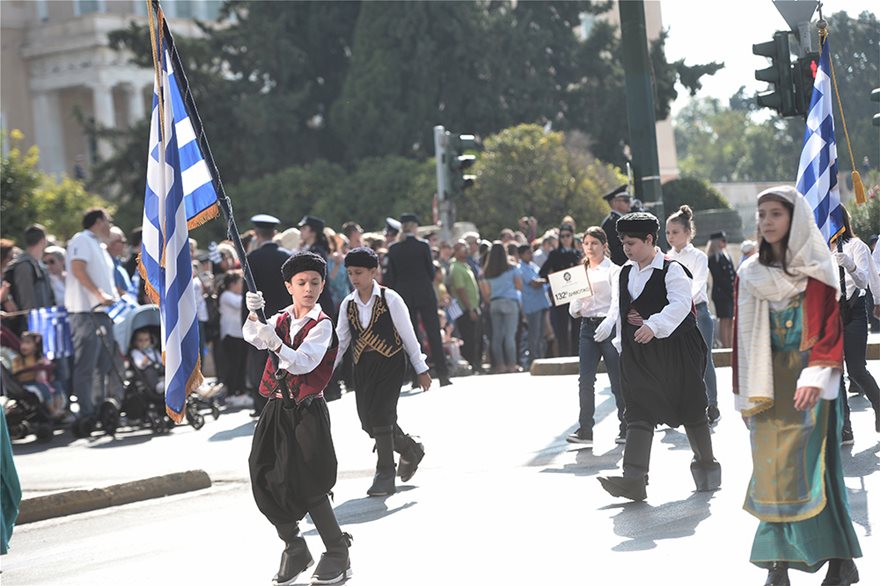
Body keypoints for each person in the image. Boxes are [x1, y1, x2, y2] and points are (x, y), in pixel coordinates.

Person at [734, 186, 861, 586]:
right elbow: (743, 339)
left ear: (795, 219)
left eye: (776, 214)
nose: (766, 222)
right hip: (768, 386)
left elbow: (829, 330)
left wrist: (815, 378)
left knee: (815, 472)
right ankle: (777, 564)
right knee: (771, 473)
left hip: (812, 384)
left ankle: (841, 562)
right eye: (762, 214)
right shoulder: (750, 271)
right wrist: (745, 396)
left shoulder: (816, 269)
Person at [243, 252, 352, 586]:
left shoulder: (322, 325)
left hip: (306, 409)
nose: (308, 289)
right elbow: (252, 335)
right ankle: (294, 546)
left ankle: (337, 552)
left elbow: (303, 363)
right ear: (289, 286)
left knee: (310, 481)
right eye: (301, 283)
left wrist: (275, 343)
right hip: (276, 406)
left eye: (315, 283)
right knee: (262, 472)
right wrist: (252, 314)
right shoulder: (279, 318)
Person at [598, 212, 720, 502]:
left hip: (676, 352)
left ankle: (707, 468)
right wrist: (620, 341)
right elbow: (621, 309)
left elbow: (680, 305)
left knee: (691, 408)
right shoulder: (625, 272)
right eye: (623, 243)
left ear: (649, 240)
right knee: (638, 410)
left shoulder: (672, 269)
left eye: (631, 243)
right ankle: (634, 479)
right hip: (639, 354)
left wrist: (653, 325)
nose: (626, 249)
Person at [334, 247, 431, 496]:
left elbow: (409, 335)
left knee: (381, 414)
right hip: (362, 367)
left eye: (359, 272)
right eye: (350, 273)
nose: (354, 278)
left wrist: (421, 368)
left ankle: (385, 472)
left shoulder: (391, 299)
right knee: (368, 422)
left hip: (391, 363)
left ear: (373, 272)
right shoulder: (347, 304)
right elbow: (340, 342)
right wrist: (324, 371)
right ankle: (410, 447)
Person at [568, 227, 625, 446]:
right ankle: (585, 429)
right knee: (585, 380)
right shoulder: (580, 271)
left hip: (607, 326)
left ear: (604, 246)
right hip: (587, 327)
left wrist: (610, 322)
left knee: (617, 379)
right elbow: (575, 301)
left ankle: (626, 425)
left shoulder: (614, 270)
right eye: (586, 243)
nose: (590, 247)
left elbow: (617, 300)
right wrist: (575, 306)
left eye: (594, 243)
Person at [666, 206, 720, 425]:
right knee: (675, 362)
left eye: (675, 232)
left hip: (697, 312)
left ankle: (712, 404)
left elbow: (698, 284)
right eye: (668, 232)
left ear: (688, 232)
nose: (670, 237)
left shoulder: (698, 256)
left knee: (704, 360)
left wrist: (680, 302)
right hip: (673, 315)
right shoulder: (665, 257)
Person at [384, 213, 451, 386]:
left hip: (404, 295)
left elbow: (391, 277)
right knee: (433, 333)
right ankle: (443, 375)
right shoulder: (423, 246)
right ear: (415, 227)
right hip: (424, 293)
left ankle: (416, 377)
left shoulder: (394, 249)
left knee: (410, 336)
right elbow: (430, 272)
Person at [65, 208, 118, 420]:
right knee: (87, 365)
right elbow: (78, 269)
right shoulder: (81, 239)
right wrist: (99, 294)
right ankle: (86, 413)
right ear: (98, 221)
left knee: (103, 365)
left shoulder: (98, 245)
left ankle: (98, 410)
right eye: (108, 220)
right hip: (86, 312)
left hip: (102, 312)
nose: (110, 225)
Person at [832, 205, 880, 441]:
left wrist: (849, 265)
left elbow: (863, 281)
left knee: (856, 369)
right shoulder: (819, 252)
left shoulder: (856, 246)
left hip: (853, 311)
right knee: (835, 373)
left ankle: (879, 406)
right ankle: (845, 425)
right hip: (829, 315)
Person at [243, 214, 292, 416]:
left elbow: (245, 298)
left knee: (261, 364)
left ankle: (262, 404)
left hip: (261, 320)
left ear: (256, 234)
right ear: (275, 233)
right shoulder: (287, 256)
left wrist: (245, 324)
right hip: (285, 320)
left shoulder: (252, 259)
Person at [539, 223, 583, 356]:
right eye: (562, 236)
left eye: (568, 235)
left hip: (577, 293)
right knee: (562, 326)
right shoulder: (555, 254)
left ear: (572, 236)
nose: (565, 238)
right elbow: (543, 272)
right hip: (562, 293)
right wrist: (554, 282)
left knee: (577, 326)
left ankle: (577, 355)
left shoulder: (578, 253)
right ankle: (564, 354)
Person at [4, 224, 55, 335]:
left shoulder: (38, 264)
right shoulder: (24, 265)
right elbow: (27, 302)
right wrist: (35, 330)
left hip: (43, 324)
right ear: (43, 241)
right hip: (30, 330)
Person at [480, 241, 522, 373]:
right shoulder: (512, 267)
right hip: (510, 302)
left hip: (494, 303)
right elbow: (519, 286)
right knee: (510, 336)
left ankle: (500, 365)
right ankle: (511, 364)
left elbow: (486, 293)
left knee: (497, 337)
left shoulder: (487, 271)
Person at [12, 331, 66, 418]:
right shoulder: (18, 359)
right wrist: (33, 367)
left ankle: (58, 408)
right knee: (44, 389)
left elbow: (48, 367)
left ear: (36, 346)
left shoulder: (39, 357)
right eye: (23, 342)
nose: (24, 346)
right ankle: (52, 411)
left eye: (28, 343)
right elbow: (16, 371)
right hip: (27, 383)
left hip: (40, 381)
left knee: (57, 384)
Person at [449, 240, 483, 374]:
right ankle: (471, 363)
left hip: (473, 307)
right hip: (465, 310)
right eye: (463, 248)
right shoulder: (456, 267)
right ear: (456, 251)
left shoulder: (465, 265)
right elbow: (461, 290)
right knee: (469, 337)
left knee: (477, 337)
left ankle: (476, 362)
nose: (467, 250)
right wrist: (470, 309)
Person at [517, 244, 550, 367]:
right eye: (528, 253)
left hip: (541, 303)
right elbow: (534, 283)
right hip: (532, 306)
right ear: (521, 255)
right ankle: (533, 361)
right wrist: (547, 280)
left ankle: (540, 358)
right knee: (534, 334)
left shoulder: (533, 266)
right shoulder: (521, 268)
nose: (531, 255)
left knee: (541, 335)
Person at [219, 270, 248, 401]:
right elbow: (240, 304)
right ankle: (231, 394)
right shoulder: (226, 295)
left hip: (241, 335)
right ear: (232, 284)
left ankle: (241, 392)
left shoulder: (238, 296)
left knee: (241, 365)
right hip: (230, 335)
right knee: (233, 365)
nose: (242, 285)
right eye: (240, 282)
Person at [707, 231, 736, 347]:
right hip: (721, 294)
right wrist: (731, 289)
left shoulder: (725, 255)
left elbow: (732, 274)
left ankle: (730, 345)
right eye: (723, 240)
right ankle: (726, 346)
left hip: (729, 293)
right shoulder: (714, 258)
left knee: (730, 320)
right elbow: (719, 278)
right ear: (717, 242)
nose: (725, 243)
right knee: (724, 320)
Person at [600, 185, 633, 266]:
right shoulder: (612, 223)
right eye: (626, 200)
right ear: (615, 203)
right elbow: (616, 250)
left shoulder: (620, 220)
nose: (630, 203)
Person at [130, 327, 163, 396]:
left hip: (158, 367)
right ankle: (157, 387)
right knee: (150, 371)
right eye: (140, 340)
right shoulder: (136, 352)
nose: (144, 343)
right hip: (146, 370)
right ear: (135, 342)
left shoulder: (153, 350)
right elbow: (139, 364)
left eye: (146, 340)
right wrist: (143, 363)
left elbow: (160, 360)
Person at [107, 226, 132, 296]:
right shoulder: (108, 265)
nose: (124, 245)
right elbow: (116, 290)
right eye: (122, 242)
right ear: (110, 244)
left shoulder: (118, 264)